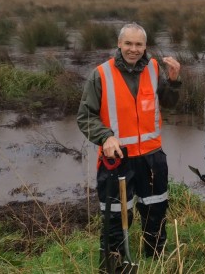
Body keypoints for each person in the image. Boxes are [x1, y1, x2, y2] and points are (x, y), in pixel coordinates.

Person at [77, 23, 181, 271]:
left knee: (155, 212)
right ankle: (113, 265)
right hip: (117, 159)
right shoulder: (100, 74)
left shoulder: (154, 68)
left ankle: (155, 260)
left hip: (152, 158)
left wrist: (174, 81)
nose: (133, 49)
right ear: (119, 44)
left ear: (145, 46)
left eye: (138, 44)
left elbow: (168, 104)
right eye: (128, 44)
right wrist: (105, 137)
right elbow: (85, 117)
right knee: (115, 218)